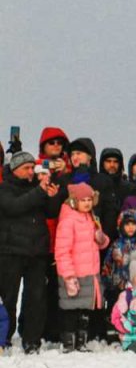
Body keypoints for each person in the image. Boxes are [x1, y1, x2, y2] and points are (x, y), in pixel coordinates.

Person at [0, 150, 63, 352]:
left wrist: (52, 196)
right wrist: (39, 191)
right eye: (26, 168)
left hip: (37, 252)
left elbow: (51, 212)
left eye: (31, 168)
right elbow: (14, 207)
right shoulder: (4, 189)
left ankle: (32, 339)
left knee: (35, 298)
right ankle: (5, 337)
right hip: (11, 251)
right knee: (8, 298)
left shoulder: (38, 188)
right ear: (15, 169)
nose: (30, 172)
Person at [54, 183, 110, 352]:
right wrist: (68, 275)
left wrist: (101, 239)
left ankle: (81, 342)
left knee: (84, 310)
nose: (87, 203)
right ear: (73, 201)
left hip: (90, 273)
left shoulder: (91, 218)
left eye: (89, 199)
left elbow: (100, 243)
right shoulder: (68, 221)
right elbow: (62, 251)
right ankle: (69, 343)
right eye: (82, 200)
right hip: (74, 274)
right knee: (71, 310)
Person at [100, 209, 136, 341]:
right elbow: (107, 265)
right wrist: (108, 282)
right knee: (119, 311)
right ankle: (117, 334)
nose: (130, 227)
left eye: (133, 224)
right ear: (121, 226)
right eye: (127, 224)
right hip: (119, 287)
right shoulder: (116, 245)